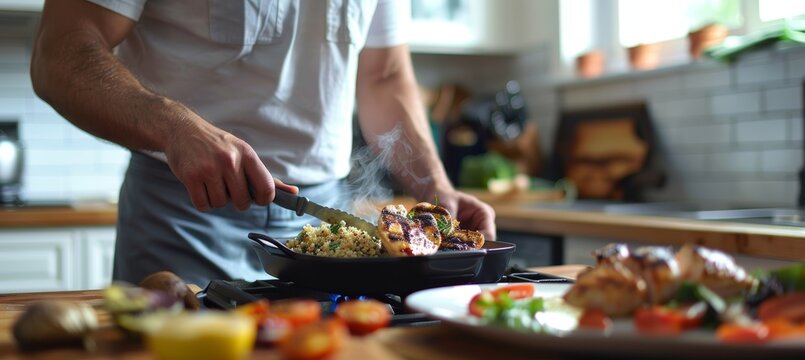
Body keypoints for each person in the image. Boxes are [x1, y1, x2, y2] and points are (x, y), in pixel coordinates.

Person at [31, 0, 496, 286]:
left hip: (327, 235)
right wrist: (172, 126)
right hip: (183, 219)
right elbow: (60, 52)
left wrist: (436, 190)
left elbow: (385, 76)